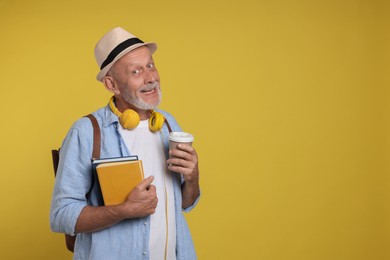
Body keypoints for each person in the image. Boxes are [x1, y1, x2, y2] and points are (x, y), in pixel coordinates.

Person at [50, 27, 200, 260]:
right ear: (112, 85)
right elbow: (61, 216)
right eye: (136, 71)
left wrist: (193, 177)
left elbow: (185, 202)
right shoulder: (87, 131)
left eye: (150, 65)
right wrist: (124, 210)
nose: (151, 78)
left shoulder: (168, 124)